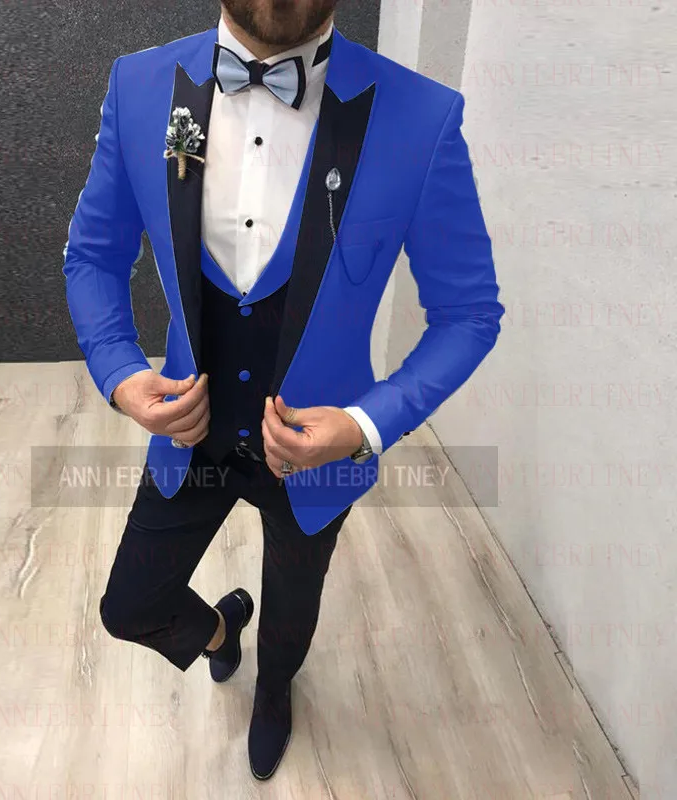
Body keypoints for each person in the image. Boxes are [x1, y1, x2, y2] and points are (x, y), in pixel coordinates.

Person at [62, 0, 504, 780]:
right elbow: (94, 256)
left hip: (318, 456)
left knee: (293, 614)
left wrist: (366, 424)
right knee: (129, 606)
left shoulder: (422, 117)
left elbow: (468, 313)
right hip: (189, 437)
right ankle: (219, 633)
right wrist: (121, 372)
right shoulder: (138, 87)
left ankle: (275, 690)